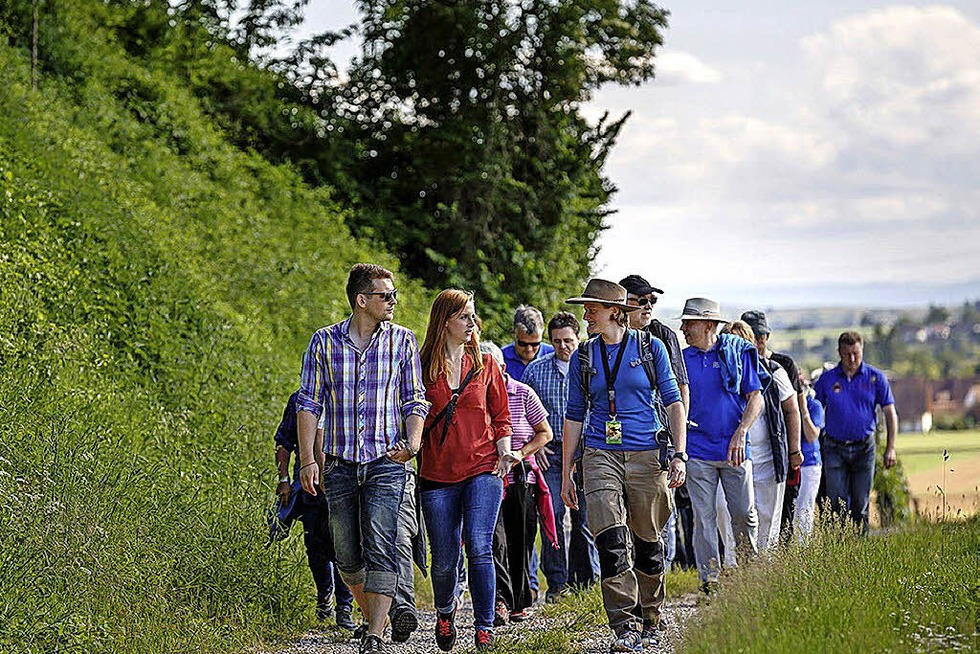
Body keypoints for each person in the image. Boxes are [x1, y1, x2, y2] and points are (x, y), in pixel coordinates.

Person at [296, 264, 429, 654]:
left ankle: (373, 633)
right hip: (338, 462)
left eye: (394, 295)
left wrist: (414, 442)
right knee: (347, 552)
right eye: (386, 295)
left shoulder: (402, 341)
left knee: (381, 541)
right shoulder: (323, 342)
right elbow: (308, 403)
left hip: (386, 461)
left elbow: (414, 398)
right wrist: (307, 459)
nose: (393, 301)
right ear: (362, 300)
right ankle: (377, 612)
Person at [561, 279, 687, 652]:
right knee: (611, 541)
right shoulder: (584, 356)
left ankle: (650, 614)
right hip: (600, 453)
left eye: (592, 309)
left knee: (648, 542)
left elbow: (673, 402)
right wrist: (568, 472)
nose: (586, 315)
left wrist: (679, 454)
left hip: (648, 453)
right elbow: (573, 416)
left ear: (614, 312)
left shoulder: (651, 348)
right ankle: (624, 625)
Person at [418, 289, 516, 651]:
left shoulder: (486, 364)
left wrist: (505, 451)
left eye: (473, 316)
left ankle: (484, 626)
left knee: (478, 544)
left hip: (483, 466)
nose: (472, 323)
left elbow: (502, 416)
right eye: (464, 317)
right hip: (437, 473)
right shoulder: (421, 365)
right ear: (444, 322)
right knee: (444, 559)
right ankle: (445, 613)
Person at [679, 298, 762, 593]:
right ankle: (709, 581)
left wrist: (741, 432)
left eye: (690, 322)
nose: (684, 328)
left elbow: (756, 397)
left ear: (709, 325)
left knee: (743, 515)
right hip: (698, 451)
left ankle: (749, 576)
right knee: (703, 519)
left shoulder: (737, 354)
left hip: (735, 451)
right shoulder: (681, 359)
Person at [619, 275, 690, 591]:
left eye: (652, 301)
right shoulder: (609, 339)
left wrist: (678, 440)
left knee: (662, 510)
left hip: (659, 435)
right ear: (624, 303)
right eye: (642, 300)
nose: (648, 307)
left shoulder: (663, 336)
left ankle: (660, 575)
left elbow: (681, 389)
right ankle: (634, 576)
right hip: (619, 439)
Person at [523, 312, 600, 603]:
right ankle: (557, 583)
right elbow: (523, 411)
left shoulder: (592, 366)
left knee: (585, 519)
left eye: (568, 340)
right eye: (556, 342)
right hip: (552, 453)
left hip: (586, 452)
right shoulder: (536, 370)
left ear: (578, 338)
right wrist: (536, 444)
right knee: (552, 515)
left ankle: (585, 581)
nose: (563, 347)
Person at [273, 391, 356, 630]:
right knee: (316, 549)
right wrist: (284, 479)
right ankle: (324, 597)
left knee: (345, 546)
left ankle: (345, 608)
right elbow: (284, 442)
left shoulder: (348, 395)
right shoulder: (299, 400)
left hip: (343, 482)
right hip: (309, 487)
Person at [485, 342, 554, 624]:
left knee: (521, 542)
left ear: (501, 367)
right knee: (493, 542)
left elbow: (545, 433)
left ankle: (519, 601)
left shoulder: (523, 393)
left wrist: (520, 453)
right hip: (486, 480)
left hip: (520, 479)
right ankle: (499, 600)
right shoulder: (474, 396)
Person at [726, 319, 800, 553]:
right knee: (733, 515)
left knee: (767, 516)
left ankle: (763, 568)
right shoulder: (720, 372)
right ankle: (735, 565)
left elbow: (792, 409)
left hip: (768, 456)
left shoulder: (774, 371)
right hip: (733, 457)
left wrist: (794, 450)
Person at [813, 331, 898, 531]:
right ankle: (840, 547)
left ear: (862, 351)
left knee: (861, 504)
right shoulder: (827, 379)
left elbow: (890, 413)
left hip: (864, 449)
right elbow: (814, 410)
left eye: (856, 354)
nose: (852, 359)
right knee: (837, 504)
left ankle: (860, 548)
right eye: (847, 354)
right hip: (834, 448)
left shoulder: (876, 378)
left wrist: (891, 448)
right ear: (839, 353)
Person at [740, 310, 807, 535]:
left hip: (774, 453)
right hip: (743, 456)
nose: (758, 341)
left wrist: (794, 450)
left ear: (767, 336)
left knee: (778, 512)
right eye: (753, 336)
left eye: (761, 336)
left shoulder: (780, 365)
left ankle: (774, 562)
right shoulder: (735, 365)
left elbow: (794, 408)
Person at [794, 371, 825, 540]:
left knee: (804, 509)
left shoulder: (814, 406)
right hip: (791, 463)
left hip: (809, 463)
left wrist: (803, 411)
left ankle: (803, 547)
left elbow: (812, 436)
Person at [502, 305, 555, 382]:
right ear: (514, 334)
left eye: (535, 344)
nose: (529, 349)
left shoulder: (553, 355)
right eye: (523, 344)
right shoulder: (501, 357)